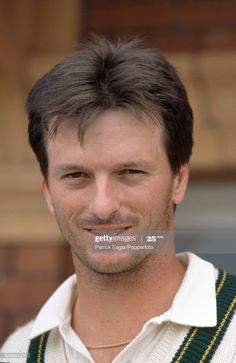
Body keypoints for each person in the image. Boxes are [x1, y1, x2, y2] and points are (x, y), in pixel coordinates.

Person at [1, 36, 236, 363]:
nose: (103, 206)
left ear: (179, 180)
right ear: (48, 192)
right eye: (76, 176)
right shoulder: (17, 352)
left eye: (129, 172)